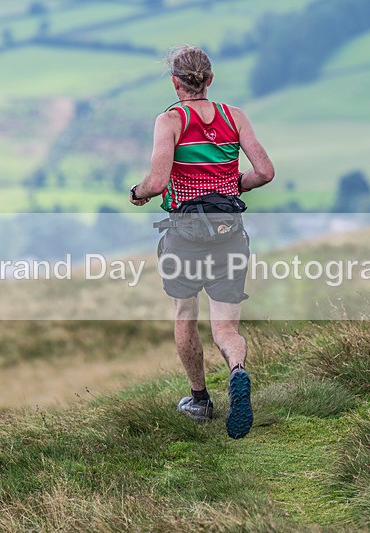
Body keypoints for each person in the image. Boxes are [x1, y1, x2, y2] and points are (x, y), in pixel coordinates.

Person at [128, 45, 274, 439]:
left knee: (185, 313)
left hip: (186, 236)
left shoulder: (171, 120)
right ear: (210, 80)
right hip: (230, 234)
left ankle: (199, 399)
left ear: (176, 82)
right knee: (226, 328)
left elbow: (157, 183)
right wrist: (229, 184)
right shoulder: (234, 116)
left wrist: (137, 192)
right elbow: (265, 172)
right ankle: (238, 372)